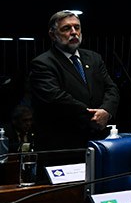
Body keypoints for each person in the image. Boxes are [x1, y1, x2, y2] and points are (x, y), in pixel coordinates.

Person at [29, 11, 120, 150]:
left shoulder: (94, 58)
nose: (74, 32)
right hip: (63, 145)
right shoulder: (43, 63)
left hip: (98, 141)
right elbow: (56, 99)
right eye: (66, 28)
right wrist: (94, 117)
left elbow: (111, 88)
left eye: (77, 27)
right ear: (53, 35)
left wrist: (106, 111)